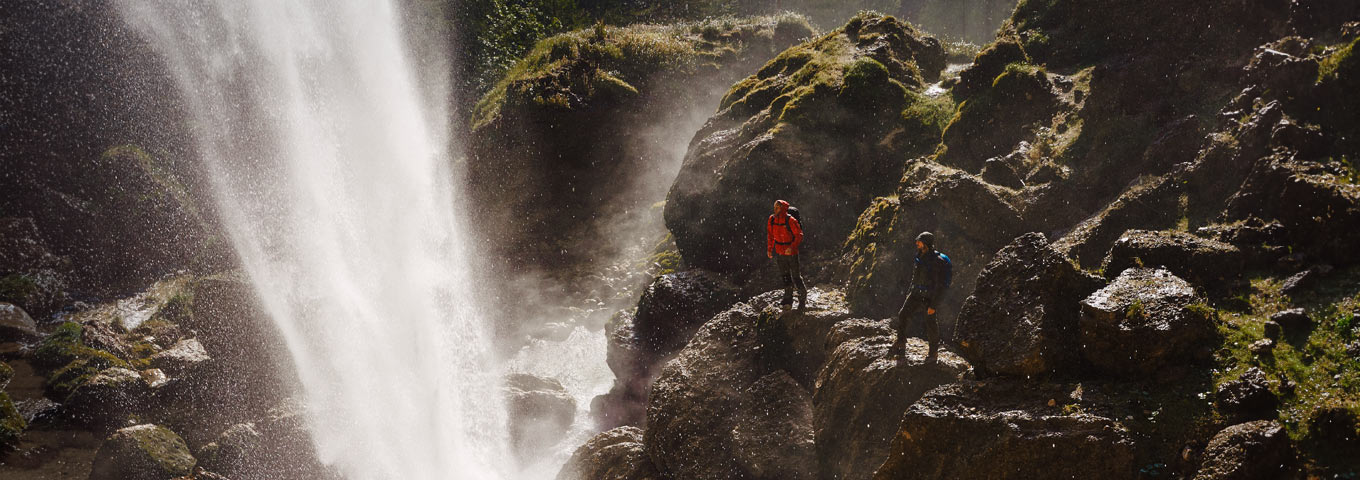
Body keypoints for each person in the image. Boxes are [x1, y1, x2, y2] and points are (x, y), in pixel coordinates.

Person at [893, 231, 950, 361]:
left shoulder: (937, 261)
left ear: (926, 244)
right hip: (915, 294)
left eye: (919, 241)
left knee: (930, 324)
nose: (917, 243)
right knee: (903, 314)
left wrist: (934, 305)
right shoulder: (920, 256)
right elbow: (915, 277)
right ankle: (901, 342)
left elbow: (940, 286)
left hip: (929, 297)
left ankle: (933, 353)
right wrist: (910, 291)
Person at [766, 199, 808, 309]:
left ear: (783, 208)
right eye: (774, 207)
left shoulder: (791, 220)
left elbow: (799, 235)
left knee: (796, 276)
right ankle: (788, 298)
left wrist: (792, 247)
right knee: (785, 276)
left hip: (791, 253)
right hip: (780, 252)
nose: (775, 210)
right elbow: (770, 236)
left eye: (777, 208)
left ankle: (802, 299)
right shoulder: (772, 220)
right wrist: (770, 249)